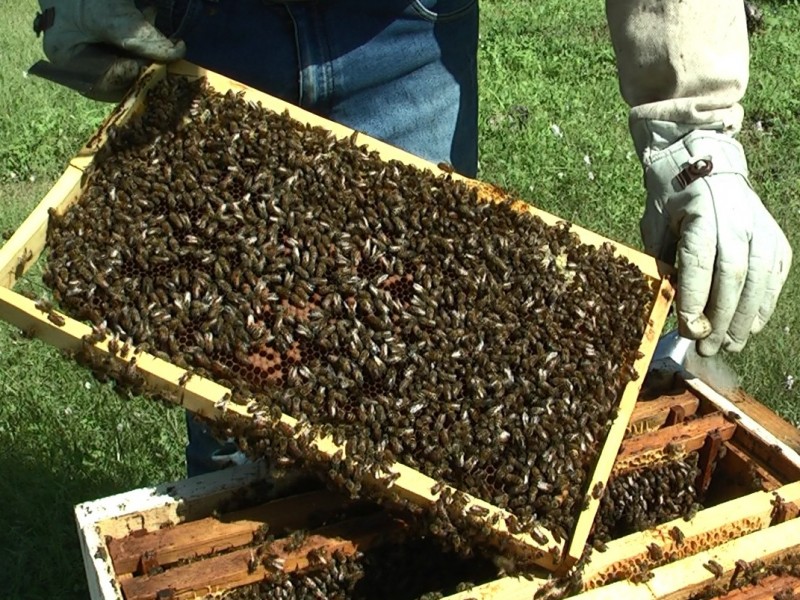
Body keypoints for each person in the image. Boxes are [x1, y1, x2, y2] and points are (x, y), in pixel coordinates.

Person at [34, 0, 792, 475]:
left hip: (405, 26)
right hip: (190, 23)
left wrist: (693, 126)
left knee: (418, 387)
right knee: (234, 375)